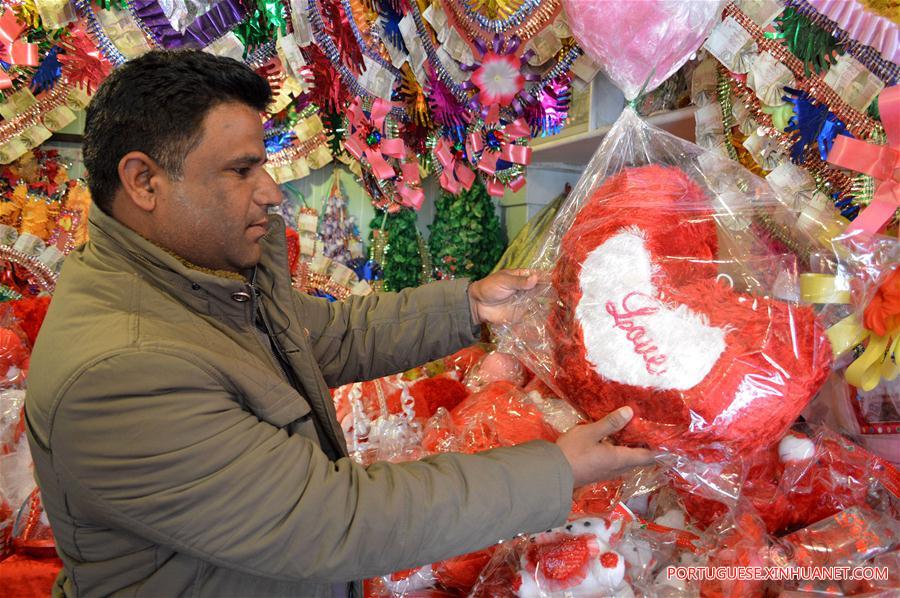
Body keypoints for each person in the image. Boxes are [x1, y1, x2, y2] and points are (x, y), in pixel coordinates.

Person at [24, 50, 656, 597]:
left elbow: (329, 335)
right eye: (242, 169)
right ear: (143, 181)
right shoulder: (122, 369)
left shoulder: (198, 284)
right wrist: (553, 471)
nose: (271, 192)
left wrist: (468, 306)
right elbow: (334, 520)